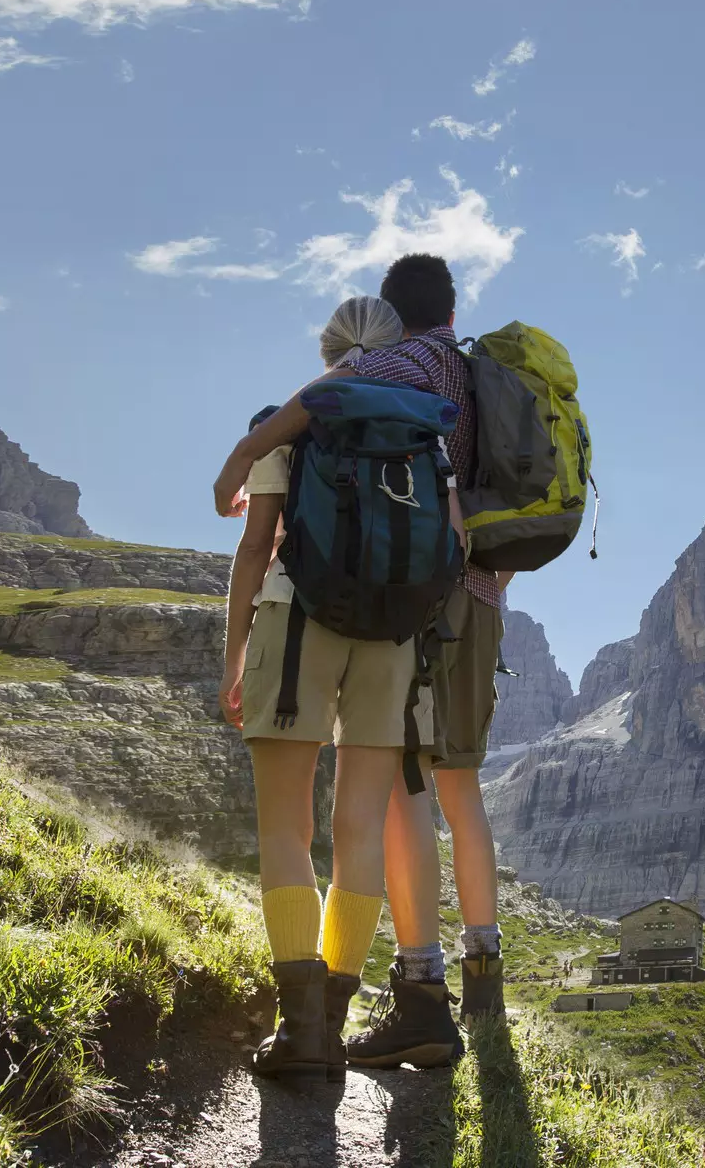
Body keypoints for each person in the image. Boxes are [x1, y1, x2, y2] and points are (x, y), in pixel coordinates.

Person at [213, 253, 505, 1069]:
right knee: (358, 833)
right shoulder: (426, 429)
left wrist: (234, 654)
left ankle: (300, 1025)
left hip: (295, 622)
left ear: (333, 353)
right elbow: (451, 542)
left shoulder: (295, 417)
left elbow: (252, 550)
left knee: (286, 823)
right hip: (391, 639)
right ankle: (337, 1020)